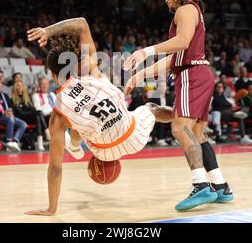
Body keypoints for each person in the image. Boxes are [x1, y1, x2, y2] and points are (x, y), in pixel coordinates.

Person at [25, 17, 172, 216]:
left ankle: (75, 146)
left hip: (103, 151)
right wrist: (49, 31)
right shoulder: (90, 68)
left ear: (52, 74)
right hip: (134, 135)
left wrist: (51, 208)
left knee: (79, 122)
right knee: (152, 108)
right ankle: (182, 116)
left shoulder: (58, 113)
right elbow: (82, 23)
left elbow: (55, 168)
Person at [124, 0, 233, 210]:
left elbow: (182, 43)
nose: (165, 0)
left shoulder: (184, 9)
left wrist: (146, 50)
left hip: (191, 74)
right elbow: (175, 57)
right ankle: (220, 185)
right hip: (200, 71)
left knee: (179, 129)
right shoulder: (192, 11)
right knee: (196, 133)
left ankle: (200, 185)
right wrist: (139, 75)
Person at [0, 77, 27, 153]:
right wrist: (3, 113)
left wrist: (10, 112)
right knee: (10, 119)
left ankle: (14, 142)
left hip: (8, 116)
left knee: (23, 124)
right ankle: (9, 141)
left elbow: (11, 107)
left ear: (1, 85)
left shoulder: (5, 95)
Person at [11, 81, 45, 151]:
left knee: (38, 114)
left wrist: (33, 112)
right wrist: (32, 112)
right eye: (18, 86)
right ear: (15, 88)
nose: (20, 87)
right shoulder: (13, 99)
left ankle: (40, 142)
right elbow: (20, 113)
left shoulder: (27, 97)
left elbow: (32, 109)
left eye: (21, 86)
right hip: (20, 118)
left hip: (29, 117)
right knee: (38, 113)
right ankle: (44, 134)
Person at [31, 76, 56, 143]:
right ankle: (47, 132)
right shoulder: (35, 95)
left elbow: (57, 106)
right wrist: (50, 112)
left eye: (46, 84)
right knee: (39, 114)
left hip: (54, 115)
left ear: (48, 85)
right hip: (44, 116)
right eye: (42, 84)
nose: (44, 86)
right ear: (39, 85)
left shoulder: (52, 94)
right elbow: (38, 109)